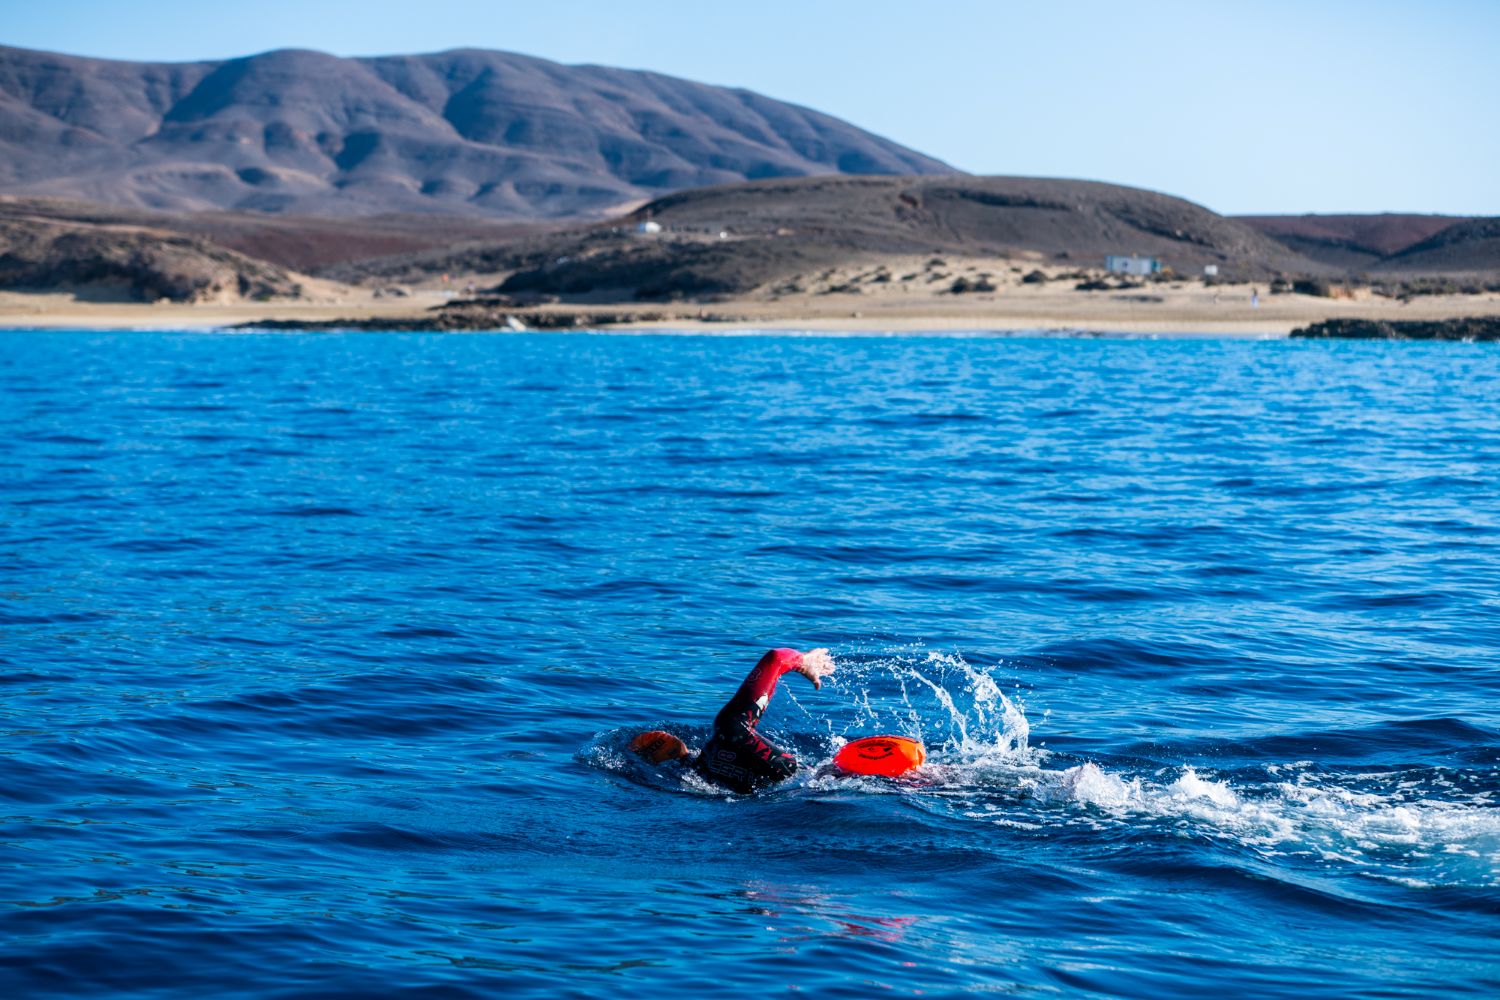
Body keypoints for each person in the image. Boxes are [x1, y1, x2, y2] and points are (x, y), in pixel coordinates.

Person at [630, 647, 835, 793]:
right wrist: (801, 662)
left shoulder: (704, 777)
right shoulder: (727, 733)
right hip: (800, 779)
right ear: (675, 745)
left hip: (791, 791)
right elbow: (775, 657)